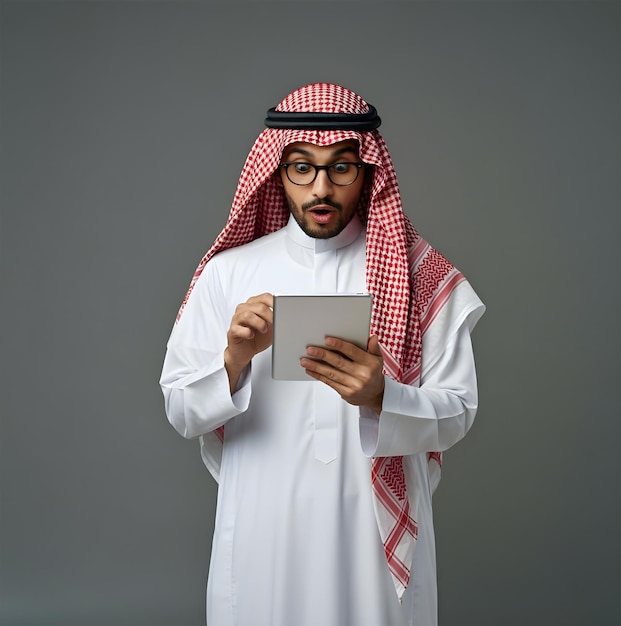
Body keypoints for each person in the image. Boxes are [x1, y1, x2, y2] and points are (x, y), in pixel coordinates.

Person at [159, 82, 485, 626]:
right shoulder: (229, 274)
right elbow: (180, 410)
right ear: (277, 172)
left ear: (367, 171)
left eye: (341, 167)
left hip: (370, 537)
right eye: (301, 168)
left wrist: (385, 398)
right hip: (263, 527)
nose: (321, 188)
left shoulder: (419, 276)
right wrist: (234, 361)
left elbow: (458, 411)